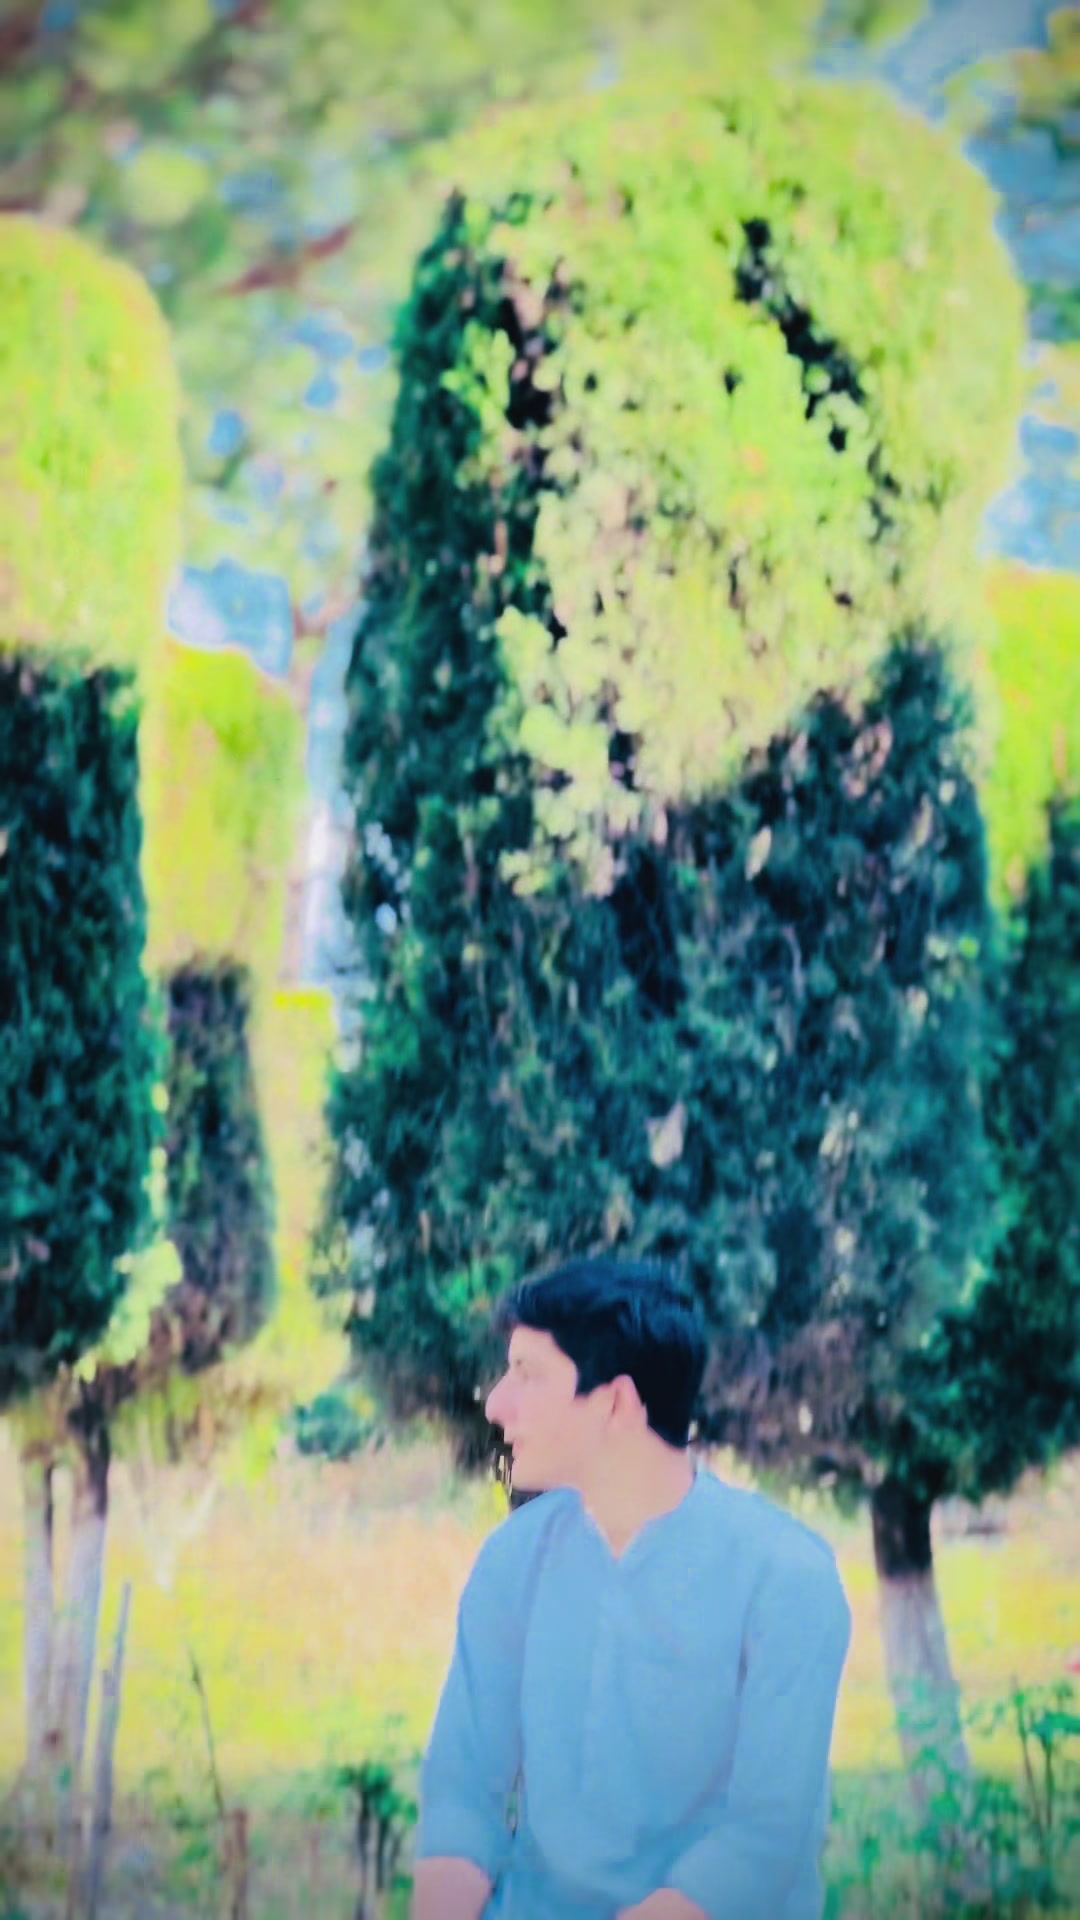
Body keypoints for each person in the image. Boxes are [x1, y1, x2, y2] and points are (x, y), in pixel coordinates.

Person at [411, 1256, 852, 1920]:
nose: (497, 1403)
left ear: (616, 1403)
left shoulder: (786, 1578)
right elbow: (463, 1796)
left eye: (528, 1374)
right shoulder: (513, 1560)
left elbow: (763, 1841)